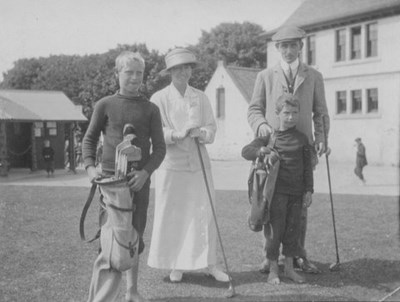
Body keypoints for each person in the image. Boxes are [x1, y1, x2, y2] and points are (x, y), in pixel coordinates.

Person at [82, 51, 166, 302]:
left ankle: (132, 292)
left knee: (135, 238)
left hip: (138, 183)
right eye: (129, 72)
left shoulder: (151, 109)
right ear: (117, 73)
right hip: (110, 184)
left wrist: (145, 172)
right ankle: (101, 298)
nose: (134, 77)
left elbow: (160, 148)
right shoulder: (105, 104)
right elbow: (89, 140)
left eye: (139, 73)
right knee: (110, 240)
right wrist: (90, 168)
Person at [247, 25, 330, 274]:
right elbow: (254, 109)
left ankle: (297, 255)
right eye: (284, 46)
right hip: (273, 150)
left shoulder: (314, 75)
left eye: (294, 45)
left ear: (301, 47)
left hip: (302, 149)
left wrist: (322, 137)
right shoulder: (265, 76)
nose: (289, 50)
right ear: (277, 48)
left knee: (300, 204)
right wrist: (261, 125)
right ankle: (269, 257)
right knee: (270, 203)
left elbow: (321, 111)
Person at [147, 48, 229, 283]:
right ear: (170, 72)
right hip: (171, 165)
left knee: (204, 213)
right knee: (174, 215)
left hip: (199, 164)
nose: (184, 72)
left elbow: (212, 128)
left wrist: (201, 133)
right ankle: (176, 264)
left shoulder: (201, 97)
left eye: (187, 67)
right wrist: (176, 134)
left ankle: (210, 264)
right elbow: (155, 132)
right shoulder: (159, 98)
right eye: (178, 68)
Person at [242, 94, 313, 284]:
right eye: (287, 113)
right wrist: (261, 151)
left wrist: (309, 190)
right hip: (275, 195)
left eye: (295, 113)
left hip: (297, 194)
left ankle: (289, 269)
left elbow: (307, 168)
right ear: (278, 114)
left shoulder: (302, 139)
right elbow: (245, 152)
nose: (291, 117)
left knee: (292, 232)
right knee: (274, 232)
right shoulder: (269, 137)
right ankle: (273, 270)